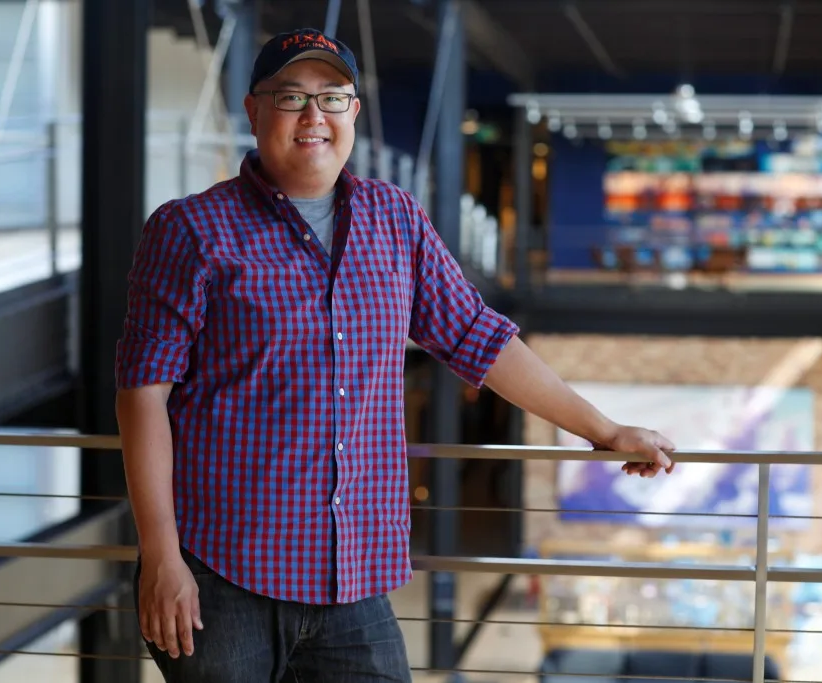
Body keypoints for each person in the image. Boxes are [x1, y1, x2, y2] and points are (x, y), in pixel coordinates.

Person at [114, 27, 676, 683]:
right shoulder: (189, 230)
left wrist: (604, 429)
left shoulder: (394, 219)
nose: (313, 116)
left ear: (353, 112)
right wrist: (161, 555)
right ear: (254, 110)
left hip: (351, 576)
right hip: (222, 574)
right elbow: (142, 393)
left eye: (331, 98)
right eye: (291, 97)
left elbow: (477, 337)